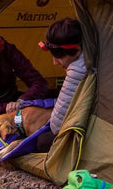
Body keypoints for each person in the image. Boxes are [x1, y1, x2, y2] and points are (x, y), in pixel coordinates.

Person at [34, 17, 88, 150]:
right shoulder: (93, 54)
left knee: (43, 141)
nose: (55, 62)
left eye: (59, 57)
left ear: (77, 50)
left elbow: (57, 126)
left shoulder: (78, 69)